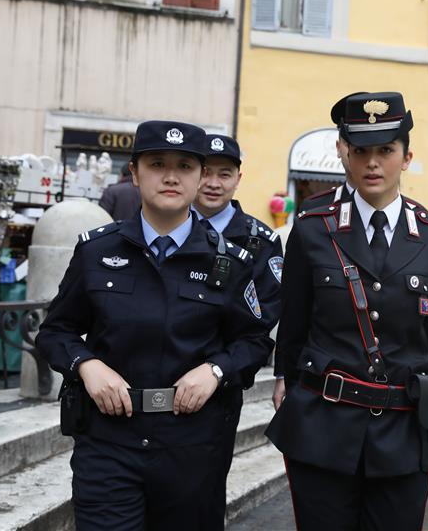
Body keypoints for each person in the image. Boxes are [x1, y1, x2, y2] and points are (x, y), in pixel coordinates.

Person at [35, 121, 276, 530]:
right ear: (134, 173)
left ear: (199, 176)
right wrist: (86, 365)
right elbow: (55, 332)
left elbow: (253, 341)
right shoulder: (97, 251)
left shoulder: (229, 261)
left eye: (184, 166)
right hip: (108, 440)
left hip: (193, 446)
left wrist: (216, 371)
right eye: (157, 164)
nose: (170, 176)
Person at [266, 91, 428, 530]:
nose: (373, 163)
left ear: (407, 158)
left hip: (402, 430)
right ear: (343, 153)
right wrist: (285, 383)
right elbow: (294, 324)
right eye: (361, 151)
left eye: (386, 151)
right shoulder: (313, 229)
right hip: (323, 423)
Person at [192, 134, 283, 529]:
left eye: (224, 174)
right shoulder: (163, 226)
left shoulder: (260, 240)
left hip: (219, 386)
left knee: (203, 494)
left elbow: (263, 317)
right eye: (206, 172)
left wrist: (218, 367)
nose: (214, 183)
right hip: (151, 384)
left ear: (238, 179)